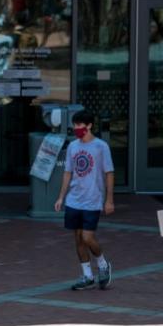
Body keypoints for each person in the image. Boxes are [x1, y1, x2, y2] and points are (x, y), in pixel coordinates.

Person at [54, 110, 114, 291]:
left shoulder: (101, 146)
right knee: (78, 238)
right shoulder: (73, 146)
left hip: (93, 199)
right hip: (74, 200)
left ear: (89, 126)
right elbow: (67, 173)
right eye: (75, 125)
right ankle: (87, 276)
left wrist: (109, 200)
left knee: (88, 237)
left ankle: (103, 264)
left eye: (80, 125)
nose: (76, 128)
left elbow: (109, 173)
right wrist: (61, 197)